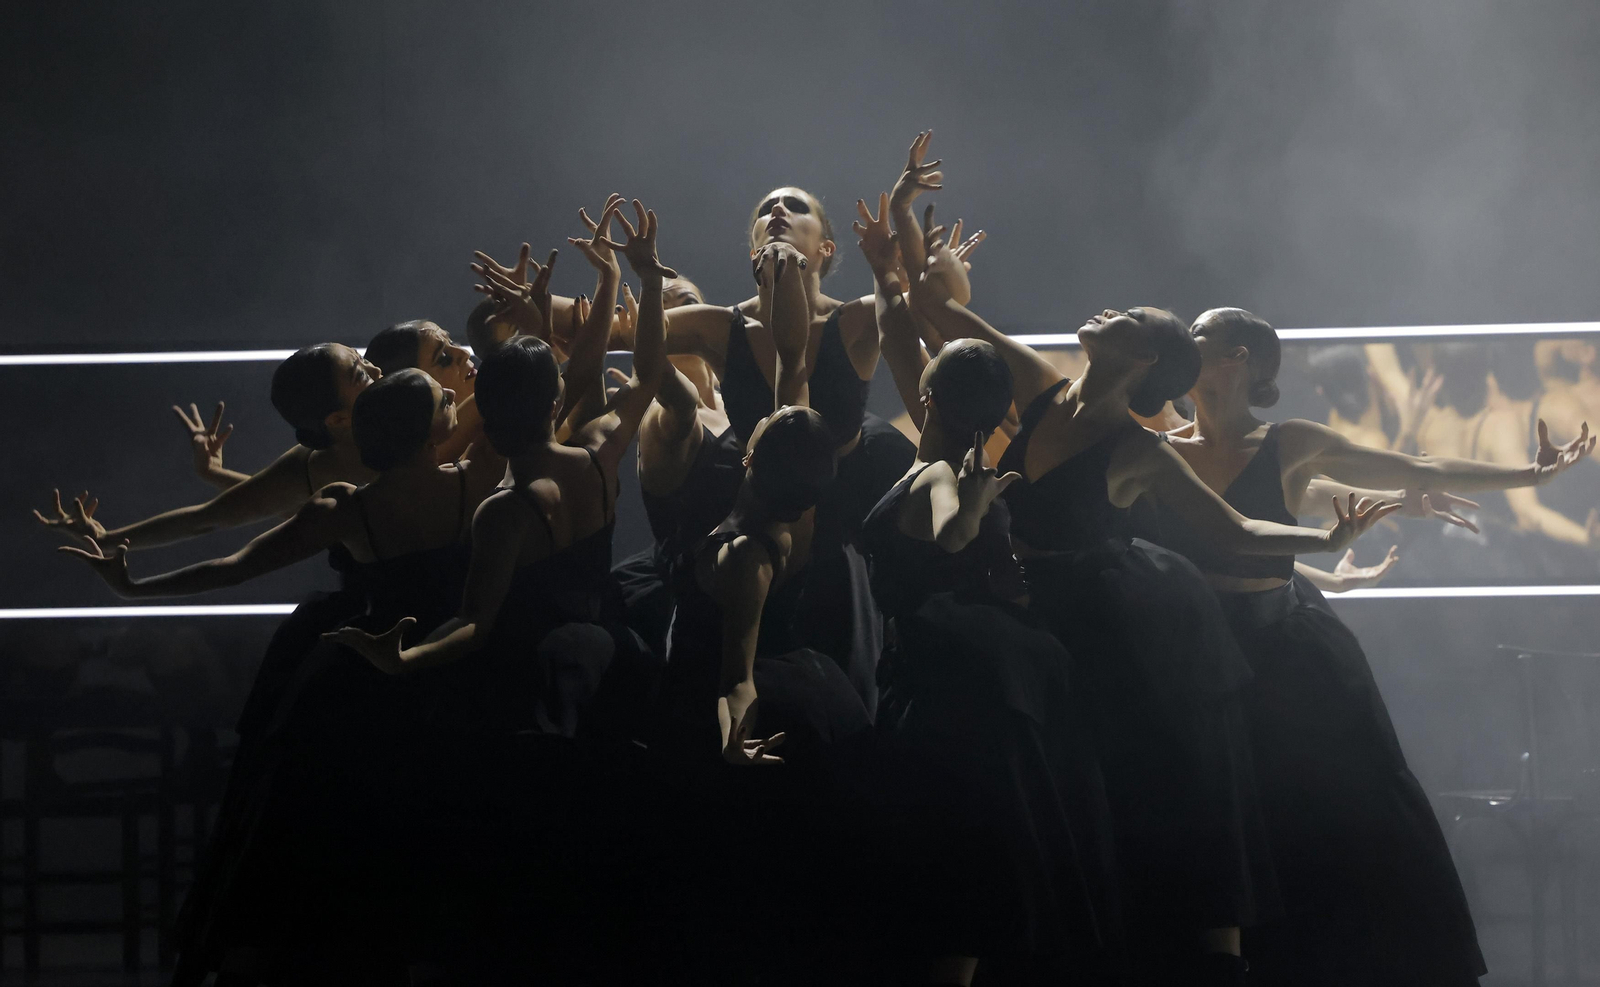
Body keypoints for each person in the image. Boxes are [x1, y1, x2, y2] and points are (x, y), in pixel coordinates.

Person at [907, 277, 1395, 984]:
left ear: (1143, 359)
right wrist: (916, 264)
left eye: (1130, 319)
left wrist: (1326, 541)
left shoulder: (1139, 449)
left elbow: (1234, 528)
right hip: (1019, 612)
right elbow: (948, 317)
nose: (1108, 310)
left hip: (1101, 633)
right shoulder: (1045, 386)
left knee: (1127, 812)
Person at [1161, 307, 1592, 986]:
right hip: (1196, 659)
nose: (1186, 342)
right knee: (1218, 830)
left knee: (1328, 823)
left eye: (1200, 335)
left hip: (1283, 656)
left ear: (1237, 358)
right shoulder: (1160, 448)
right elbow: (1226, 533)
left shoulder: (1288, 441)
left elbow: (1418, 463)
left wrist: (1528, 478)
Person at [64, 368, 490, 984]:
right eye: (446, 399)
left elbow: (234, 566)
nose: (459, 397)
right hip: (452, 674)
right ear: (428, 435)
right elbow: (553, 391)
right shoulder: (477, 478)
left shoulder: (346, 505)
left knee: (347, 840)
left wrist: (135, 587)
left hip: (368, 678)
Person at [857, 219, 1114, 981]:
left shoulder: (942, 472)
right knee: (969, 887)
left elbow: (946, 535)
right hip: (964, 684)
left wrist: (971, 504)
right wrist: (890, 279)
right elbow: (903, 341)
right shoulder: (957, 453)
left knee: (955, 893)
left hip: (948, 697)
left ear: (932, 393)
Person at [330, 197, 660, 741]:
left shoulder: (501, 511)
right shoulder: (599, 455)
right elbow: (643, 373)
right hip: (612, 656)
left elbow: (476, 624)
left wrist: (406, 660)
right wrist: (638, 279)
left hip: (536, 681)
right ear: (553, 406)